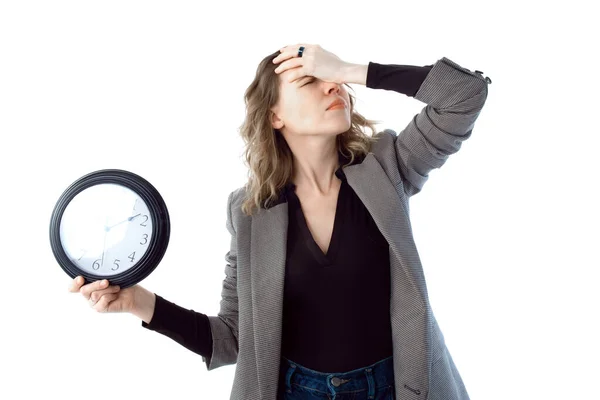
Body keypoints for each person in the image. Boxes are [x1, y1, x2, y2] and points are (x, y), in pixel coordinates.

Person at [69, 43, 491, 400]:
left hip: (398, 387)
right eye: (310, 80)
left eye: (333, 77)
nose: (334, 86)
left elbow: (463, 95)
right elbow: (232, 338)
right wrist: (136, 302)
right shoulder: (249, 212)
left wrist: (349, 69)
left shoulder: (388, 166)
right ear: (274, 116)